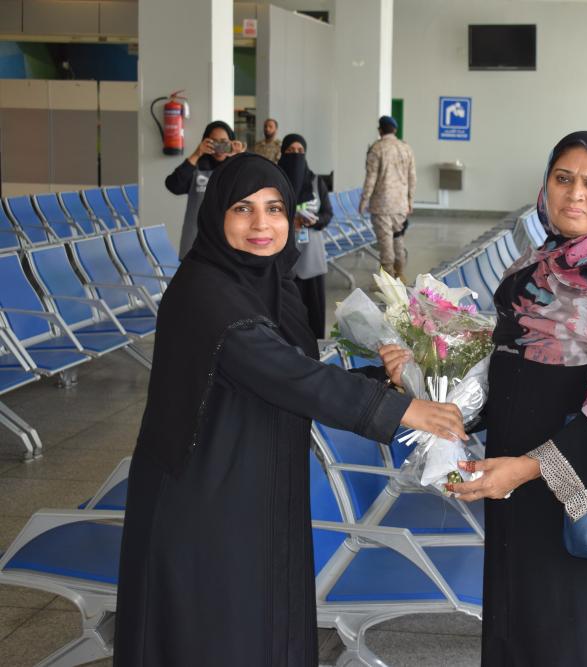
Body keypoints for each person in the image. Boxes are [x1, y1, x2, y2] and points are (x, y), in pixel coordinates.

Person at [114, 153, 465, 666]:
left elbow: (294, 369)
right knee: (219, 633)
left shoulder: (267, 285)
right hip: (206, 497)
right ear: (217, 216)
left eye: (275, 208)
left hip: (252, 478)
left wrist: (380, 377)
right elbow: (281, 371)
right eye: (243, 209)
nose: (262, 224)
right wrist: (402, 410)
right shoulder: (205, 293)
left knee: (263, 619)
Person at [385, 131, 587, 666]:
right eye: (563, 178)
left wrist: (530, 470)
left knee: (583, 631)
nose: (575, 194)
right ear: (545, 185)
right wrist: (428, 384)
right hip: (519, 484)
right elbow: (506, 369)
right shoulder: (531, 267)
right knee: (526, 625)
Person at [277, 132, 333, 339]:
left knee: (314, 308)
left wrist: (315, 221)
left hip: (312, 257)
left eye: (300, 151)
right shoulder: (275, 182)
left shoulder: (316, 182)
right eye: (290, 151)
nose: (295, 155)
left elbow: (327, 214)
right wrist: (288, 222)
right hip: (283, 257)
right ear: (282, 153)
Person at [165, 120, 245, 258]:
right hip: (196, 241)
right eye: (214, 141)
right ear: (205, 142)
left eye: (223, 141)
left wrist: (240, 158)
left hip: (229, 241)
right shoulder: (197, 167)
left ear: (232, 142)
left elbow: (250, 190)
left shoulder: (237, 168)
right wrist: (197, 154)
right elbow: (174, 185)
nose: (219, 146)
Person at [359, 115, 415, 279]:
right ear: (395, 130)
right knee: (398, 238)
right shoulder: (406, 148)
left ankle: (389, 282)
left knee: (385, 243)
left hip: (381, 204)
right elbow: (413, 177)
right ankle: (401, 274)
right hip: (401, 204)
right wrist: (410, 201)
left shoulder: (377, 149)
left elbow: (371, 178)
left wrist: (364, 201)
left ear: (380, 130)